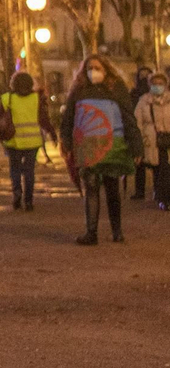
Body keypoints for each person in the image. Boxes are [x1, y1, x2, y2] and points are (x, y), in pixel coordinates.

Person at [61, 55, 144, 244]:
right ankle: (91, 233)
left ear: (106, 70)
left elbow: (129, 119)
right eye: (90, 68)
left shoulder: (117, 89)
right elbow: (68, 119)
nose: (93, 72)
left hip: (112, 147)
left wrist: (136, 146)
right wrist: (65, 141)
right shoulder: (79, 91)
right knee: (91, 187)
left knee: (112, 188)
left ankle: (117, 230)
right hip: (87, 149)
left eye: (98, 68)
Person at [0, 72, 55, 211]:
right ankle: (28, 200)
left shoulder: (7, 99)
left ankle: (17, 193)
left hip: (13, 141)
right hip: (32, 141)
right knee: (29, 171)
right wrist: (52, 134)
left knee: (15, 170)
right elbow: (44, 119)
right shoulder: (36, 99)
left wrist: (1, 137)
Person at [135, 70, 170, 211]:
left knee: (167, 169)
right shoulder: (144, 101)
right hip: (153, 141)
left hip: (168, 139)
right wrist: (143, 139)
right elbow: (138, 122)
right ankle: (162, 197)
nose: (158, 86)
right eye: (155, 84)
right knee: (158, 170)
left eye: (161, 83)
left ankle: (164, 196)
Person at [130, 66, 153, 199]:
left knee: (158, 164)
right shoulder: (134, 94)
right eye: (142, 75)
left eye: (147, 75)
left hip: (154, 133)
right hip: (139, 131)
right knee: (139, 163)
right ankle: (140, 191)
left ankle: (160, 191)